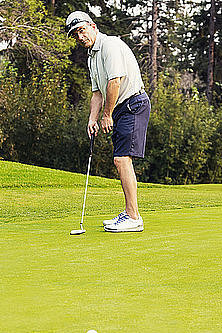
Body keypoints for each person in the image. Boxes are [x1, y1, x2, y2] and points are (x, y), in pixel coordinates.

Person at [66, 11, 151, 233]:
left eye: (81, 30)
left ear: (93, 26)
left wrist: (107, 115)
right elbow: (97, 92)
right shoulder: (92, 57)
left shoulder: (110, 45)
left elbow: (115, 81)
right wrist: (92, 119)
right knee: (120, 159)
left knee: (122, 159)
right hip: (121, 107)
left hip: (133, 103)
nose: (80, 36)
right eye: (75, 34)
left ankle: (134, 217)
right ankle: (129, 211)